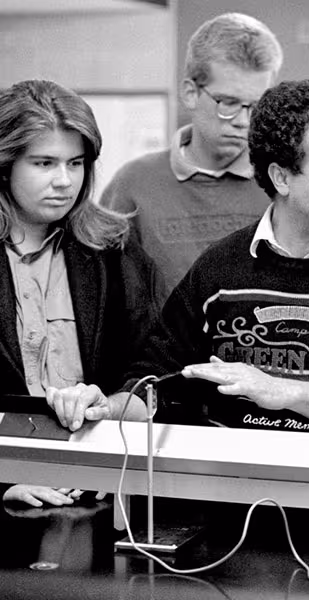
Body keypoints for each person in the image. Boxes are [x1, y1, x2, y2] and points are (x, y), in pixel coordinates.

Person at [52, 79, 309, 439]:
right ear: (282, 178)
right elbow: (155, 383)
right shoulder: (219, 269)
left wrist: (284, 392)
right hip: (224, 499)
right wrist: (107, 406)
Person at [100, 12, 309, 298]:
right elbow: (109, 297)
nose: (244, 121)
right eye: (228, 103)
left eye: (256, 106)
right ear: (191, 92)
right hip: (171, 353)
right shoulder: (134, 185)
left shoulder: (292, 179)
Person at [0, 80, 159, 506]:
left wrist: (108, 404)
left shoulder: (113, 250)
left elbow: (151, 369)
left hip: (99, 483)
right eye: (44, 163)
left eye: (76, 162)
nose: (64, 181)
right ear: (5, 165)